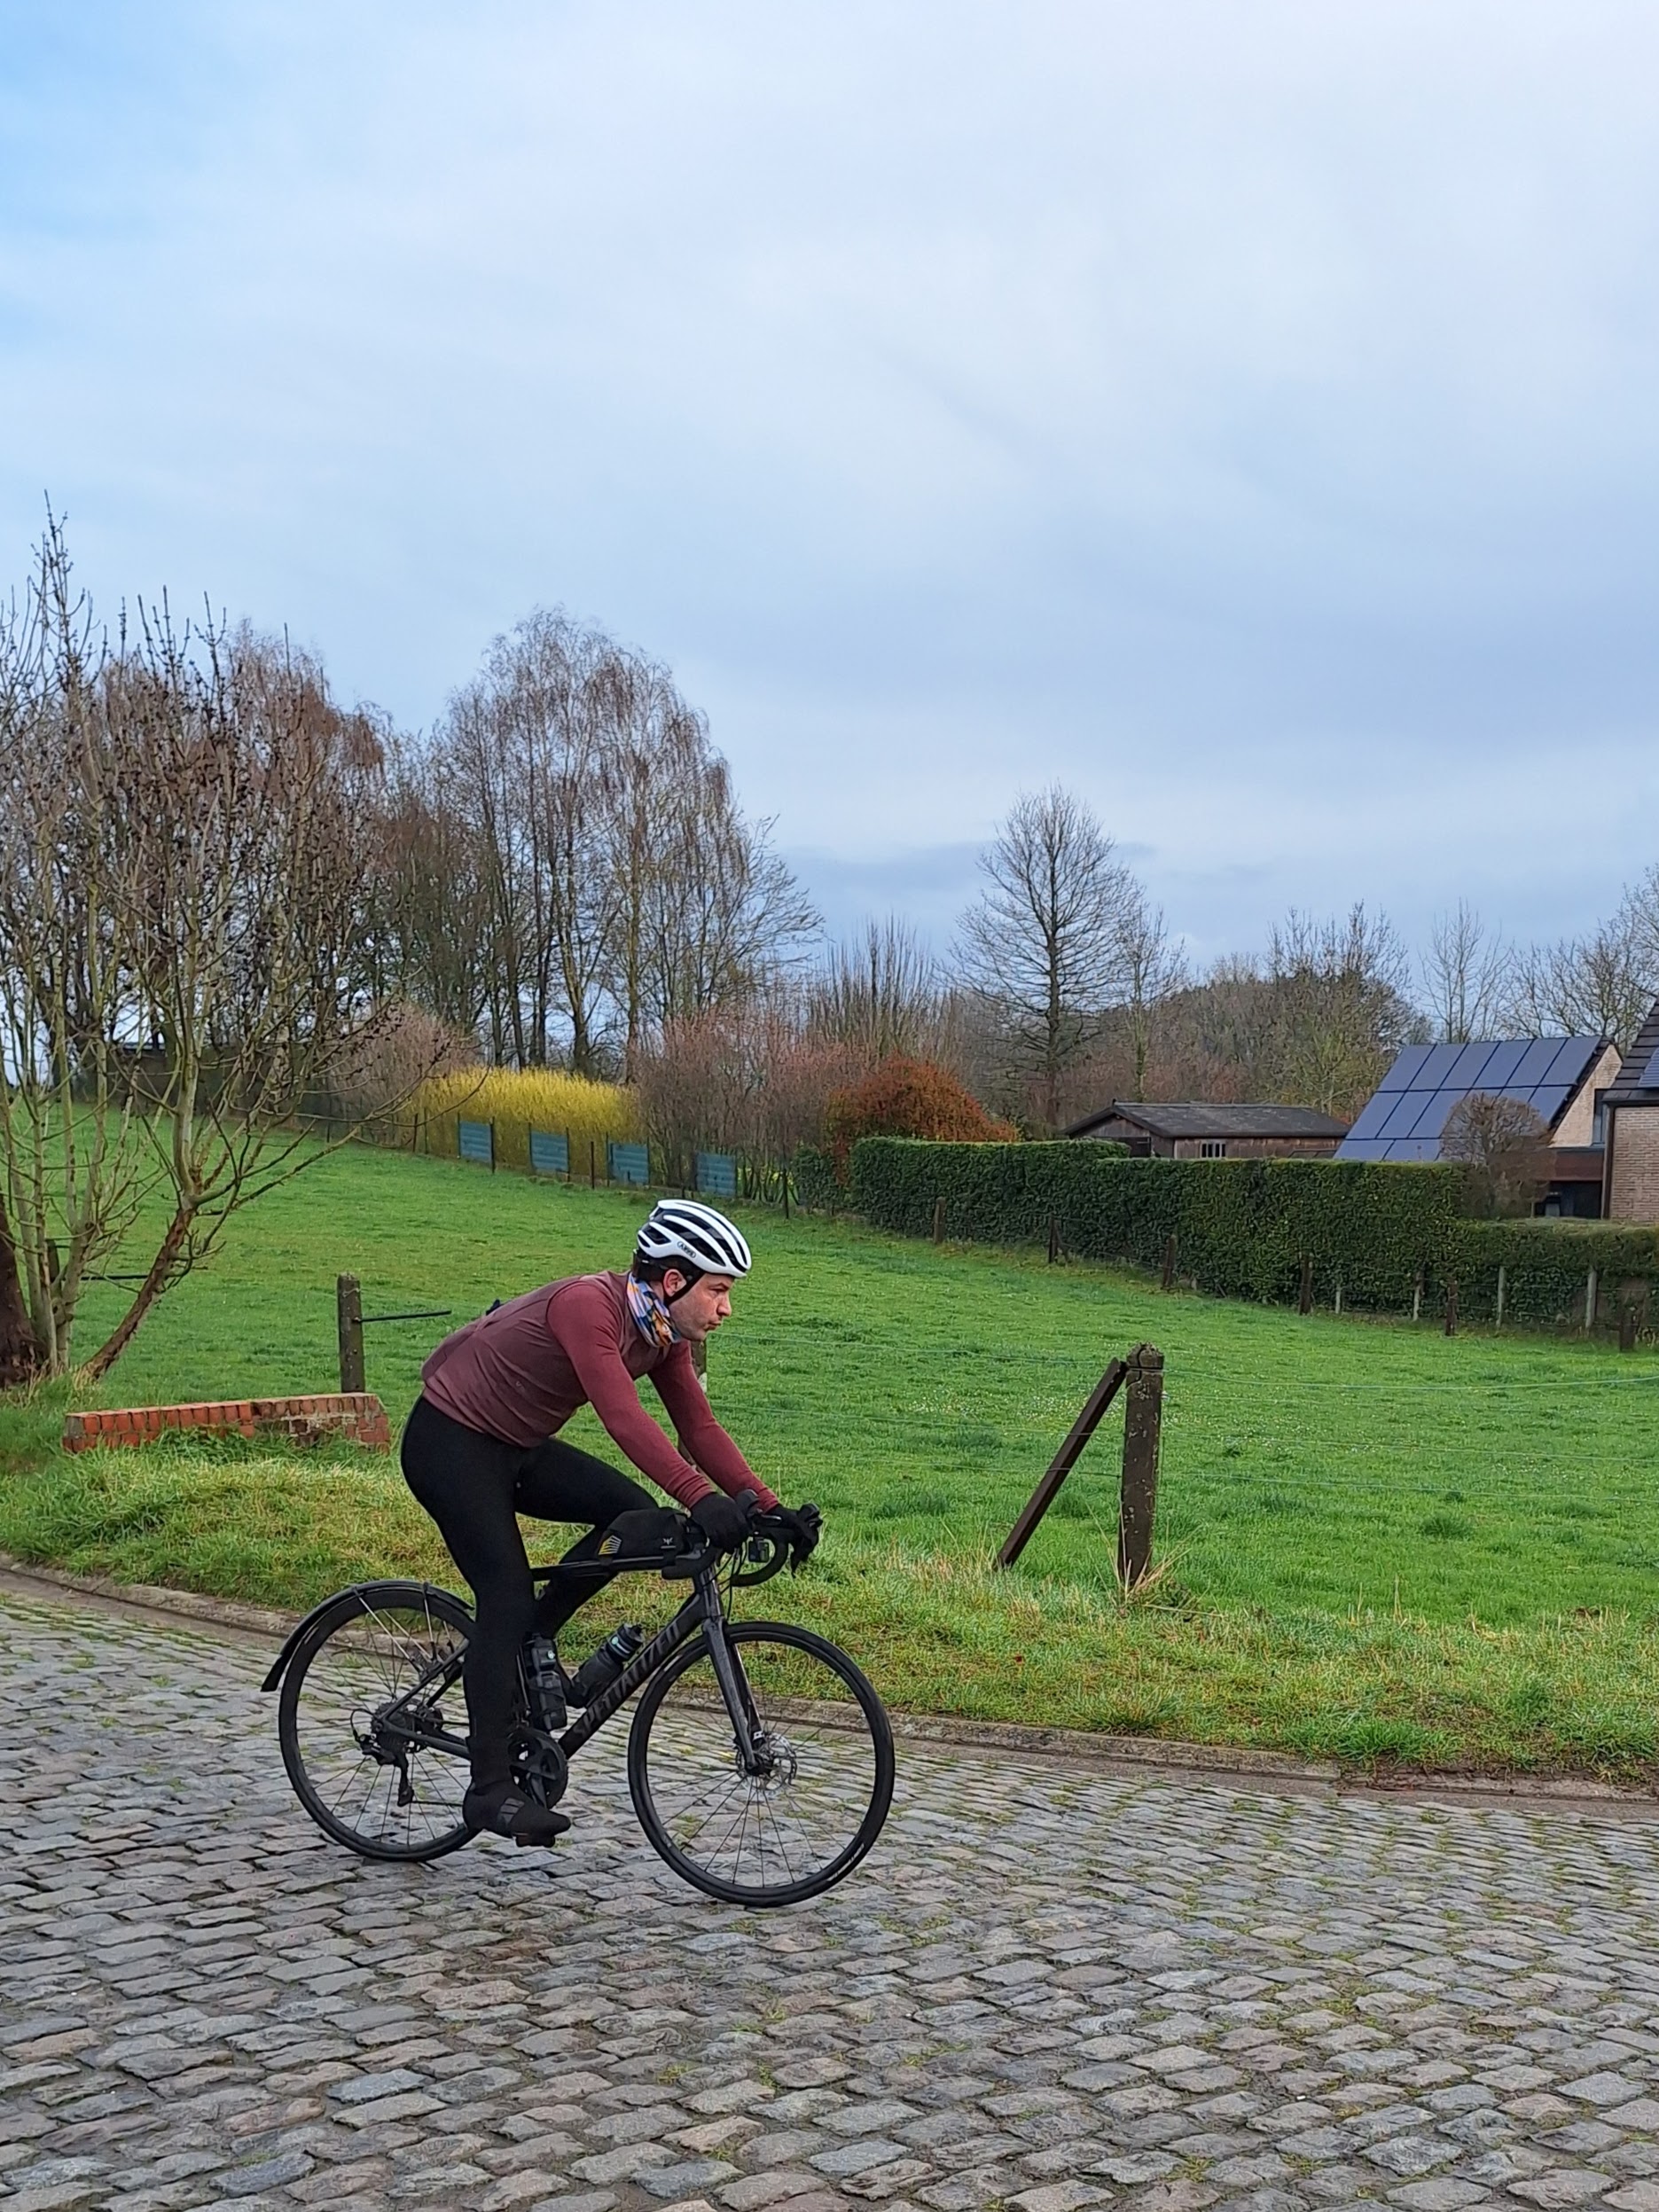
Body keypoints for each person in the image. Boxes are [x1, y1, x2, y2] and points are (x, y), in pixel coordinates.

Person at [401, 1198, 818, 1846]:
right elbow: (623, 1418)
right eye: (718, 1290)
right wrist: (699, 1497)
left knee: (635, 1518)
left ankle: (530, 1638)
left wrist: (766, 1506)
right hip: (449, 1441)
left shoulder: (661, 1335)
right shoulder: (588, 1306)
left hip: (515, 1445)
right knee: (504, 1595)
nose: (726, 1308)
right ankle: (487, 1789)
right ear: (673, 1280)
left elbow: (699, 1428)